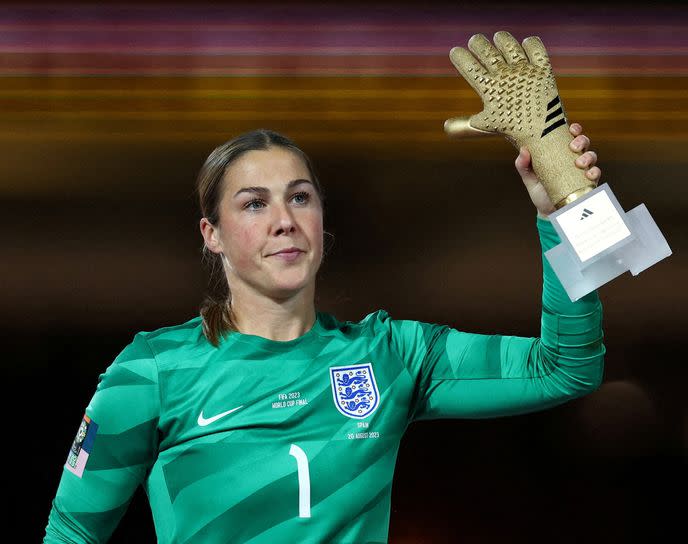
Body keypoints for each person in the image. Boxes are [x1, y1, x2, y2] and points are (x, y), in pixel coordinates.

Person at [43, 122, 604, 543]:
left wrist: (564, 212)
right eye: (255, 203)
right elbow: (70, 534)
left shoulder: (391, 356)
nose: (284, 219)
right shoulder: (152, 371)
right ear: (211, 234)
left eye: (300, 197)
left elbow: (565, 367)